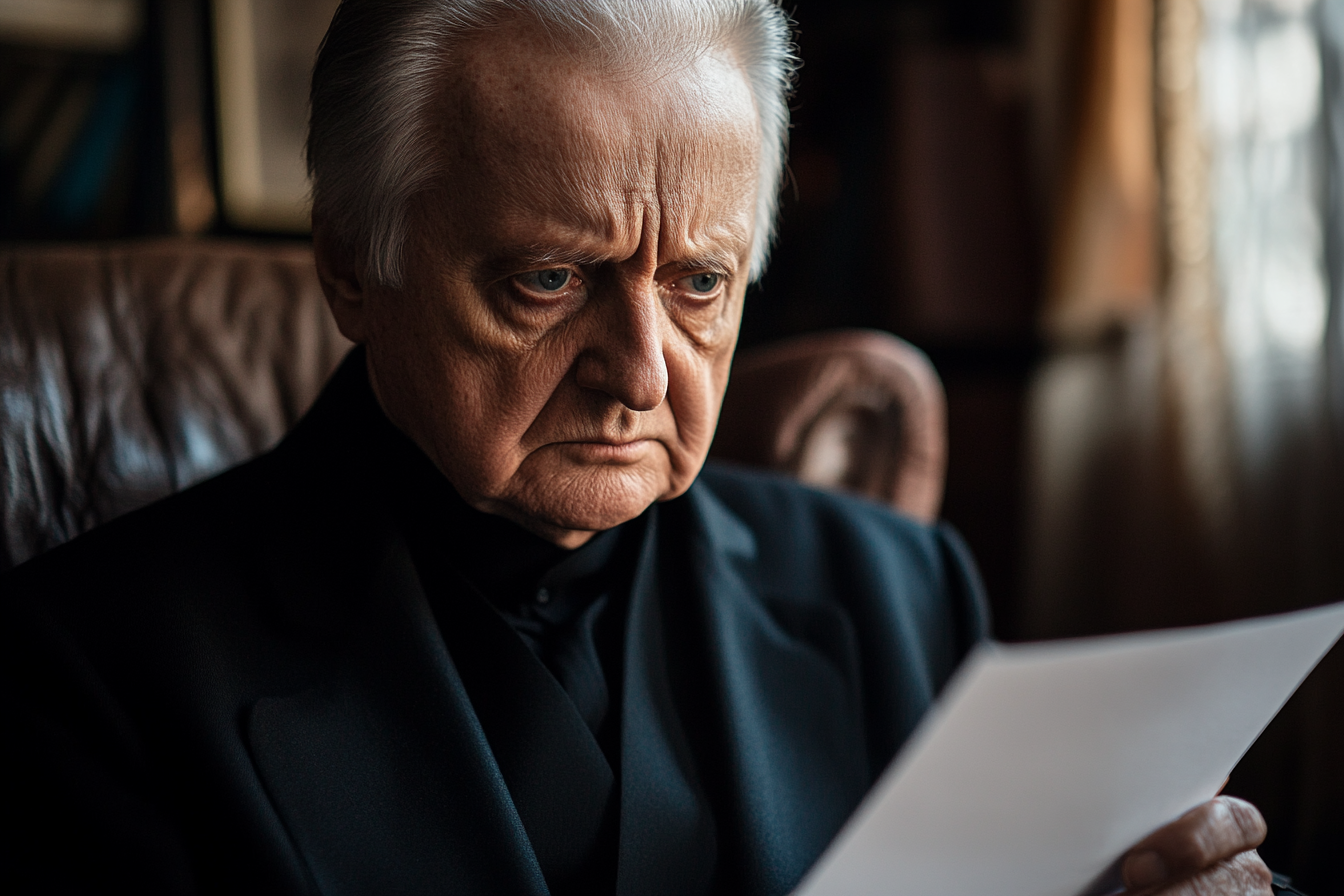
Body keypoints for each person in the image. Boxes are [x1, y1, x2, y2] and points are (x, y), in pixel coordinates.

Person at [1, 1, 1276, 893]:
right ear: (353, 263)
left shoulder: (895, 589)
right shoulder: (90, 667)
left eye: (701, 282)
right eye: (550, 279)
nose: (643, 370)